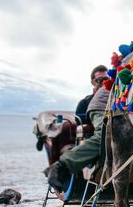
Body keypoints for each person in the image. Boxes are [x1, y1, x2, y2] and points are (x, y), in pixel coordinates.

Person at [45, 65, 110, 193]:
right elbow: (79, 122)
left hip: (103, 126)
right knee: (104, 135)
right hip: (92, 134)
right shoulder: (86, 102)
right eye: (99, 80)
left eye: (105, 79)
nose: (102, 82)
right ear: (92, 82)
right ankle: (63, 167)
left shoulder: (112, 95)